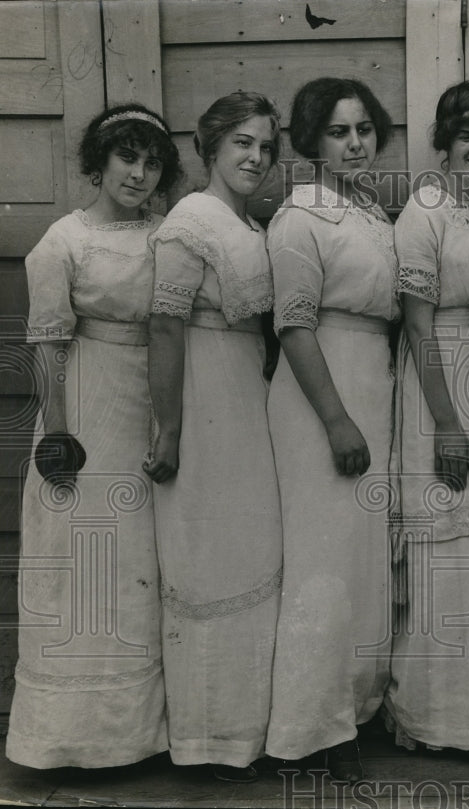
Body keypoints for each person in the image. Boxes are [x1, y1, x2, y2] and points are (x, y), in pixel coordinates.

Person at [7, 103, 181, 770]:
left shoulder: (168, 234)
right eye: (127, 158)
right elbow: (49, 344)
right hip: (85, 402)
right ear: (99, 164)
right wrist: (57, 434)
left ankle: (138, 733)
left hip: (150, 395)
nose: (139, 173)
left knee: (142, 552)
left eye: (152, 162)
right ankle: (68, 736)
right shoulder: (64, 241)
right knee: (87, 553)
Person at [144, 91, 283, 783]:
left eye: (265, 146)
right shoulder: (189, 223)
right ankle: (206, 738)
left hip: (244, 398)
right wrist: (169, 430)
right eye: (243, 145)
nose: (256, 157)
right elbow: (165, 326)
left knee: (251, 549)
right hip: (199, 396)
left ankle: (245, 731)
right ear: (210, 148)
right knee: (209, 556)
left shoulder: (247, 223)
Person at [263, 78, 397, 784]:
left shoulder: (369, 212)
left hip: (371, 379)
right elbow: (293, 324)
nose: (355, 144)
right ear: (312, 141)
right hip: (323, 394)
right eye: (340, 132)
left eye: (364, 130)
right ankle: (307, 729)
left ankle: (347, 713)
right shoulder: (300, 217)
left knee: (357, 558)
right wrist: (337, 418)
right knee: (322, 561)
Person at [385, 81, 469, 758]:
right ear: (443, 144)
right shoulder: (426, 210)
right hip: (440, 381)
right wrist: (445, 422)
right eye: (466, 135)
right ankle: (434, 717)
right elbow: (416, 324)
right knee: (450, 545)